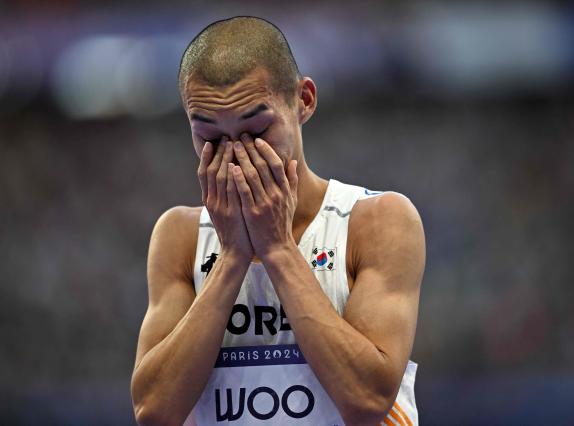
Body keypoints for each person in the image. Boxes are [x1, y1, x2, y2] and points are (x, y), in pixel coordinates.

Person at [130, 16, 425, 426]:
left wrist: (278, 249)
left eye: (257, 129)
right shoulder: (179, 236)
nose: (236, 155)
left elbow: (366, 401)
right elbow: (154, 413)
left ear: (303, 100)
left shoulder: (376, 222)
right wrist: (233, 256)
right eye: (210, 139)